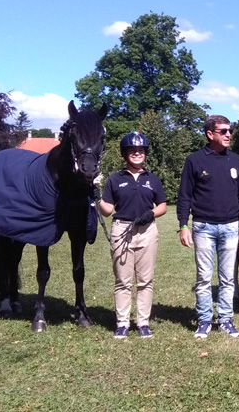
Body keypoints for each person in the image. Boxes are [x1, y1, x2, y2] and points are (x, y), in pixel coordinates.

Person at [177, 115, 239, 339]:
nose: (229, 134)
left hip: (231, 227)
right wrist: (183, 225)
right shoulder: (194, 160)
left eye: (230, 130)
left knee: (228, 278)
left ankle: (226, 320)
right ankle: (204, 320)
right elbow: (184, 196)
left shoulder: (237, 161)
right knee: (204, 277)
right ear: (210, 134)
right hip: (203, 227)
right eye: (223, 131)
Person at [98, 132, 167, 339]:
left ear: (145, 154)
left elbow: (163, 205)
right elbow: (107, 210)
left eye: (141, 151)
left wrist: (151, 213)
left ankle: (143, 322)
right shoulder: (115, 179)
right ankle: (122, 323)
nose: (137, 154)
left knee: (145, 280)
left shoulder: (152, 179)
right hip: (122, 229)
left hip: (147, 231)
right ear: (125, 154)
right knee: (123, 280)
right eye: (132, 151)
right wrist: (95, 196)